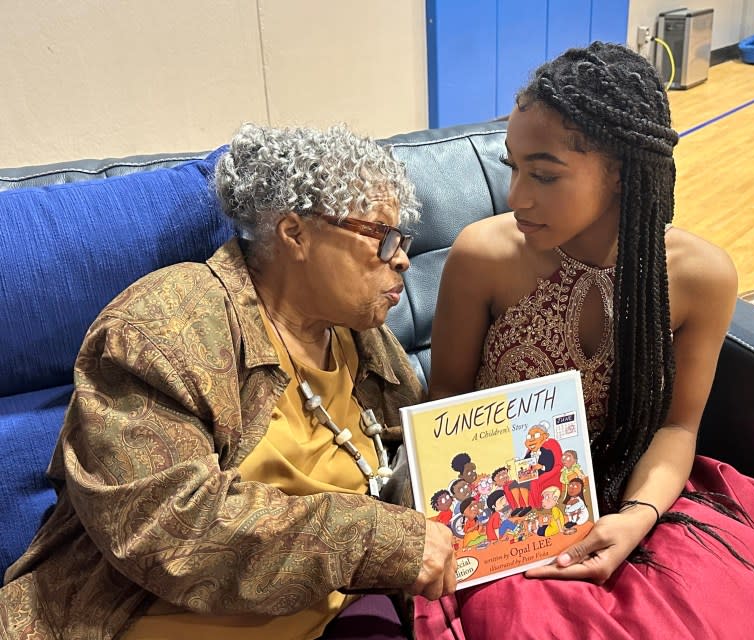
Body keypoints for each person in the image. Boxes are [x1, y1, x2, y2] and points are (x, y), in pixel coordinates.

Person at [419, 41, 754, 639]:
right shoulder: (481, 254)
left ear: (620, 169)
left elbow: (677, 427)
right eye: (511, 168)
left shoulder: (700, 276)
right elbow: (443, 406)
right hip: (507, 513)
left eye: (543, 174)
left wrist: (636, 518)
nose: (517, 197)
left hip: (640, 490)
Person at [0, 123, 457, 640]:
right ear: (295, 233)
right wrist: (376, 542)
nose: (401, 257)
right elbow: (166, 525)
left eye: (404, 240)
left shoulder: (363, 339)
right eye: (381, 237)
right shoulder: (162, 327)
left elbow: (410, 468)